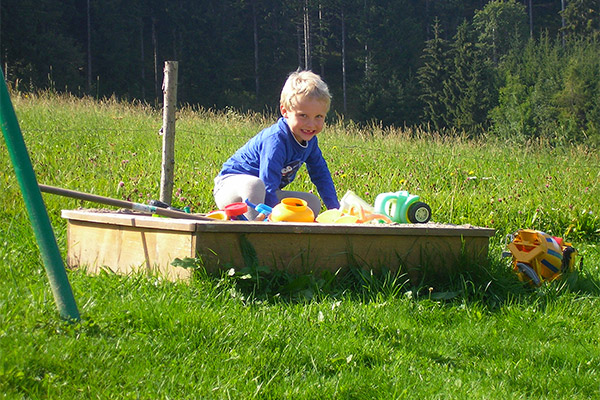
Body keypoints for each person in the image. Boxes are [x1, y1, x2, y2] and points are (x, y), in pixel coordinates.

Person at [213, 70, 340, 220]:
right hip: (232, 188)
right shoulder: (276, 140)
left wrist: (336, 210)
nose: (311, 124)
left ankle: (275, 227)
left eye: (318, 116)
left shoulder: (310, 141)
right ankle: (256, 232)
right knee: (255, 185)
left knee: (311, 203)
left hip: (264, 192)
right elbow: (267, 182)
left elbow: (321, 174)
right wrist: (273, 218)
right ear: (285, 111)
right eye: (303, 115)